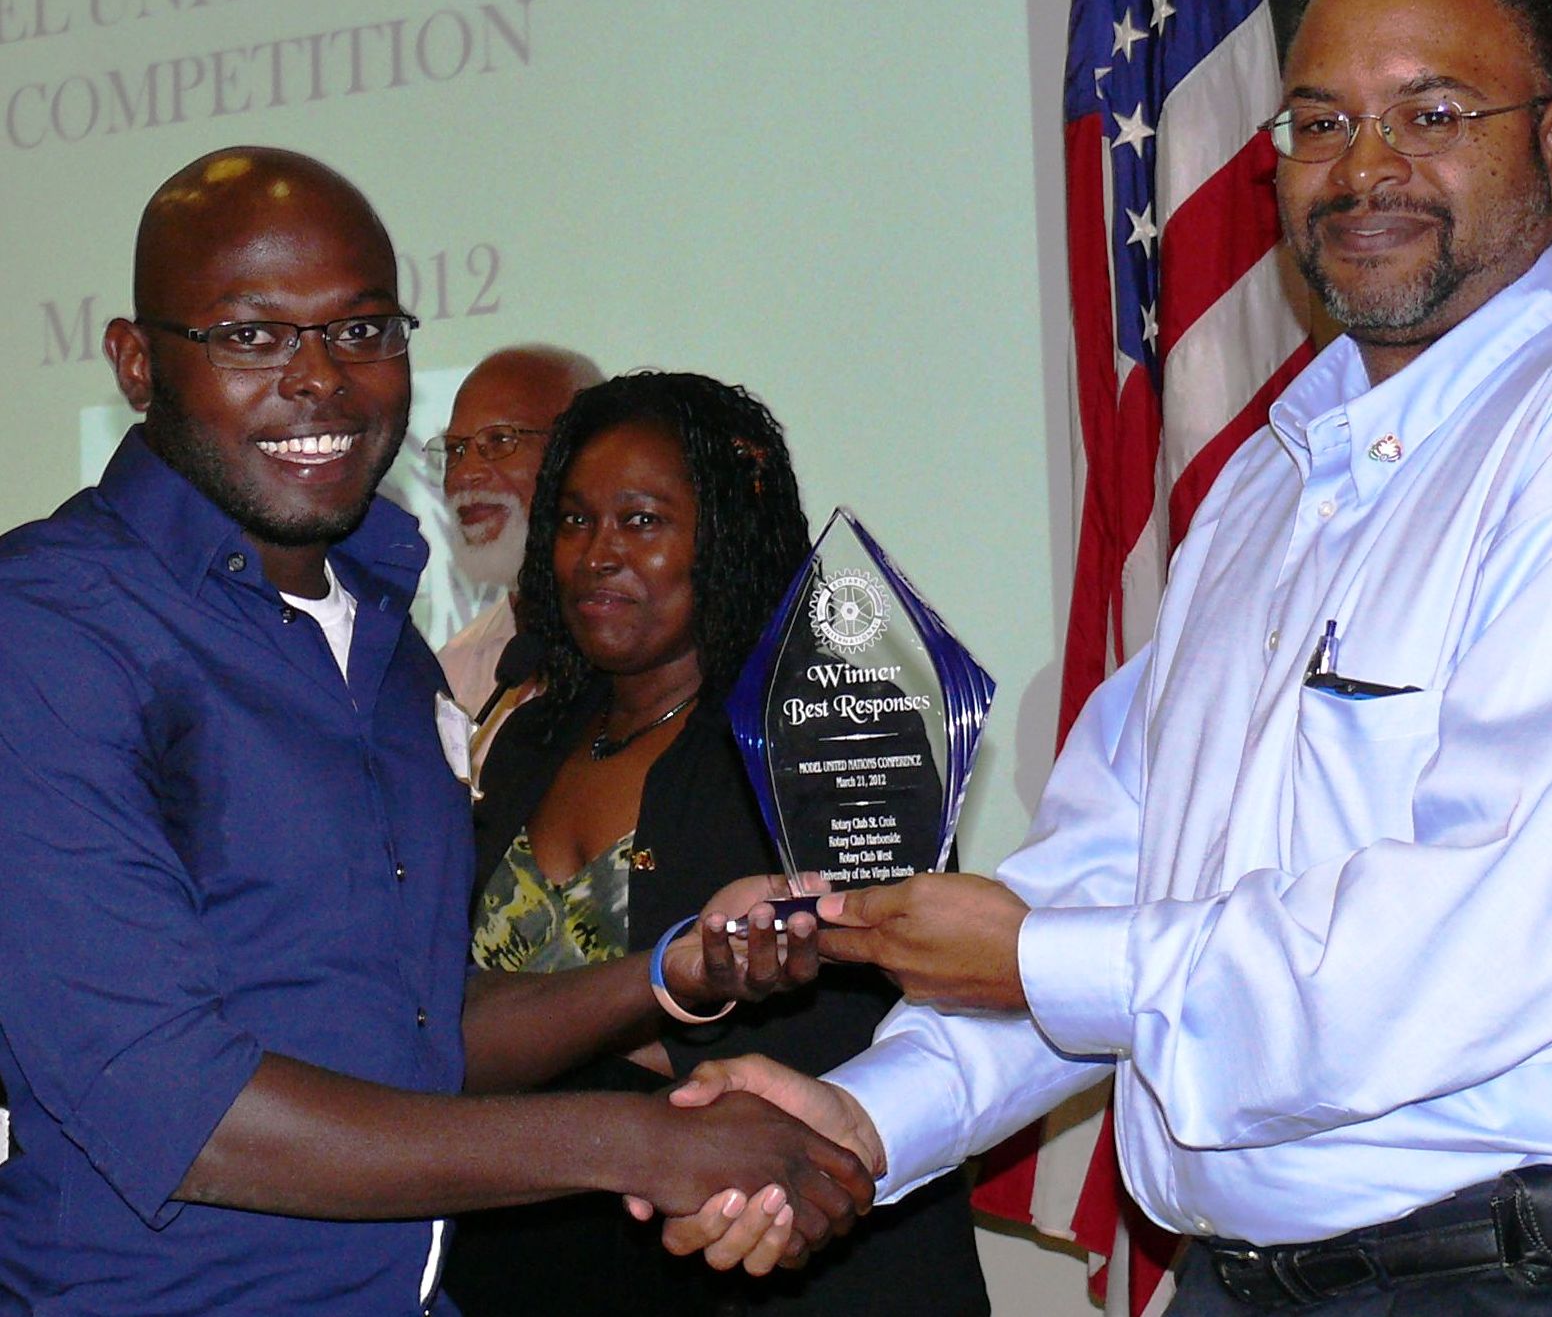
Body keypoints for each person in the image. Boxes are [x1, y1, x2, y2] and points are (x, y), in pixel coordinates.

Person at [663, 0, 1552, 1314]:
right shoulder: (1267, 491)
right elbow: (1117, 867)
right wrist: (857, 1118)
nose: (1366, 168)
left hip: (1541, 1279)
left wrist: (1037, 953)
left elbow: (1498, 925)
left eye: (1433, 111)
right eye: (1321, 121)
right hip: (1238, 1284)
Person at [0, 147, 869, 1317]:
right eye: (254, 335)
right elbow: (179, 1108)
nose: (322, 379)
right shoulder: (52, 627)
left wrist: (671, 970)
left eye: (362, 331)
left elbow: (413, 1019)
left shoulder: (385, 647)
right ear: (138, 361)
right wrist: (635, 1143)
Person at [443, 371, 989, 1316]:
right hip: (534, 1264)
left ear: (726, 539)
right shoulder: (528, 737)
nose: (598, 555)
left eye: (644, 521)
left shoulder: (826, 739)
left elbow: (870, 1029)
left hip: (778, 1273)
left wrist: (548, 1043)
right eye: (574, 521)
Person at [435, 343, 601, 731]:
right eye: (455, 450)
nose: (464, 474)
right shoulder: (452, 674)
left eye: (499, 441)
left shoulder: (661, 653)